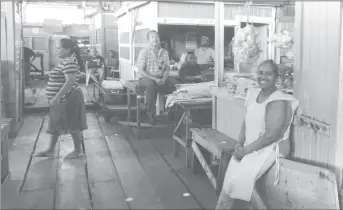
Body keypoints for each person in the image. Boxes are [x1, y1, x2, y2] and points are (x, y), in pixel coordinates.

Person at [215, 60, 299, 209]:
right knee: (227, 186)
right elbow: (246, 122)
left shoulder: (279, 100)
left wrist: (244, 152)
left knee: (240, 182)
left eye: (268, 74)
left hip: (270, 149)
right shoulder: (254, 94)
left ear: (276, 77)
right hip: (250, 147)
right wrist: (239, 143)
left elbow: (271, 136)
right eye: (260, 73)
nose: (263, 77)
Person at [34, 38, 87, 159]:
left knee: (73, 123)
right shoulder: (65, 61)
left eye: (59, 49)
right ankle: (50, 149)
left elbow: (70, 81)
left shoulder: (69, 62)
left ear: (68, 50)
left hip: (69, 98)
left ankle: (78, 151)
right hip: (62, 99)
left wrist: (57, 97)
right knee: (55, 122)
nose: (56, 51)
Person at [136, 30, 179, 125]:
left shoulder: (164, 52)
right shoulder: (144, 52)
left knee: (175, 84)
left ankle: (173, 114)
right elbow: (141, 71)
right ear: (148, 40)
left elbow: (167, 68)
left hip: (161, 78)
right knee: (151, 86)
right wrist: (155, 79)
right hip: (146, 78)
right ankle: (151, 116)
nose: (155, 39)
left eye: (157, 37)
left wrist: (164, 78)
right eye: (152, 37)